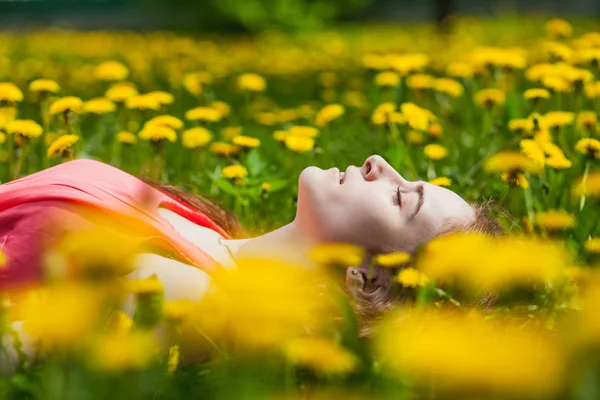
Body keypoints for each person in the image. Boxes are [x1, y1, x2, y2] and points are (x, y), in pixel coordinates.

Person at [0, 154, 500, 302]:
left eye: (399, 197)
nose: (378, 163)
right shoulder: (205, 225)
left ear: (366, 277)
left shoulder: (185, 295)